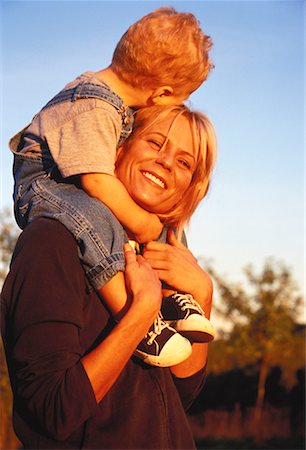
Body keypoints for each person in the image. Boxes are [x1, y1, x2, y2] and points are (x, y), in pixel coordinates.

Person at [1, 105, 216, 449]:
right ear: (117, 149)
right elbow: (52, 411)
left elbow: (179, 398)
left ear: (189, 188)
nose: (166, 162)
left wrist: (203, 297)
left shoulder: (159, 258)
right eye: (155, 143)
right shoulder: (51, 241)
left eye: (184, 162)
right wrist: (140, 315)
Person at [9, 7, 214, 365]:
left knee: (152, 220)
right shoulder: (94, 105)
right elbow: (97, 182)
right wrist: (141, 223)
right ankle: (139, 319)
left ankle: (173, 297)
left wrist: (158, 229)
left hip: (73, 183)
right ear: (161, 93)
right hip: (45, 186)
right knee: (95, 217)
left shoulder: (112, 102)